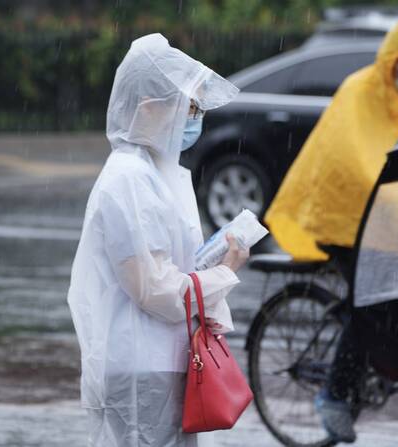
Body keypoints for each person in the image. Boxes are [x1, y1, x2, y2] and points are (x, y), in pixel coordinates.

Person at [264, 16, 398, 443]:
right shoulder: (357, 91)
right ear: (392, 61)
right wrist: (397, 191)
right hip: (340, 218)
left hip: (392, 220)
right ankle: (334, 393)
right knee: (372, 303)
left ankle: (397, 363)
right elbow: (354, 161)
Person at [66, 33, 249, 447]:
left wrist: (211, 263)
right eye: (190, 108)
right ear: (149, 109)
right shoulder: (129, 179)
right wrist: (224, 272)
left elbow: (167, 271)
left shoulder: (155, 172)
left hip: (162, 362)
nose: (195, 120)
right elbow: (154, 289)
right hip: (142, 369)